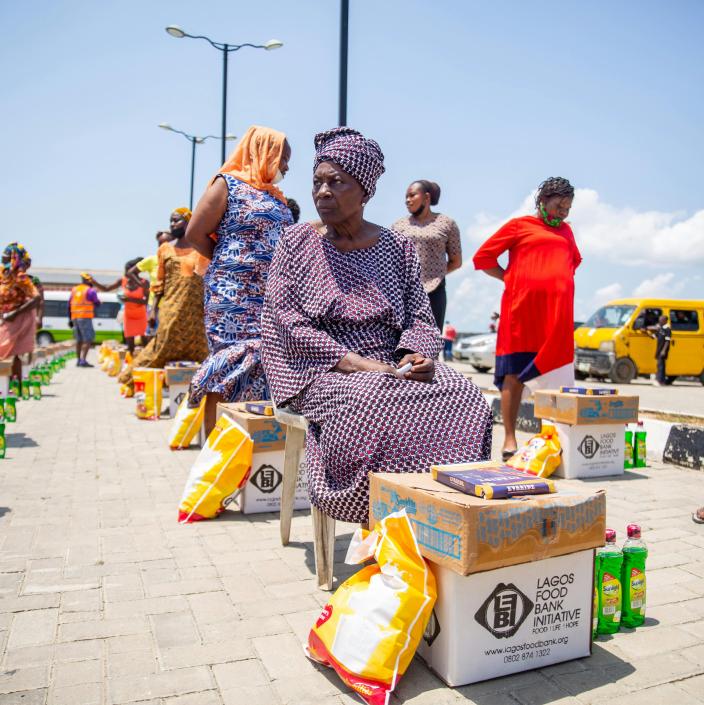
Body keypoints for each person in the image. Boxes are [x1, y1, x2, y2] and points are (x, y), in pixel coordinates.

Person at [261, 127, 492, 524]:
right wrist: (357, 364)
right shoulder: (295, 242)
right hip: (315, 367)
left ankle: (442, 510)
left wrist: (414, 355)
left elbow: (419, 314)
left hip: (388, 363)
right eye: (317, 182)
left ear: (365, 191)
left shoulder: (396, 247)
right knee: (371, 397)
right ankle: (379, 509)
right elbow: (286, 320)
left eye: (337, 182)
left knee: (463, 392)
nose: (322, 192)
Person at [185, 126, 293, 434]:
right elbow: (195, 234)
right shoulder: (227, 185)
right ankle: (213, 447)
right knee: (229, 363)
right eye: (282, 158)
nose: (285, 167)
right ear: (262, 152)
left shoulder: (274, 196)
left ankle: (248, 445)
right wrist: (231, 264)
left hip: (268, 297)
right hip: (231, 296)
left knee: (260, 363)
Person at [473, 177, 581, 460]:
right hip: (521, 316)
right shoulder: (520, 226)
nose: (563, 211)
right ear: (543, 200)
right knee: (513, 376)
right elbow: (483, 257)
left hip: (554, 321)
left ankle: (552, 441)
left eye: (568, 207)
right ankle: (509, 439)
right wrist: (510, 276)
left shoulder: (567, 232)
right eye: (559, 205)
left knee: (555, 380)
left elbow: (571, 264)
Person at [118, 208, 209, 392]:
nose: (173, 224)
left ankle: (197, 389)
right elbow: (160, 282)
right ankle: (130, 378)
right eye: (171, 221)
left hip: (195, 312)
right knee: (161, 349)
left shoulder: (201, 248)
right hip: (171, 308)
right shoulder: (165, 249)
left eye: (177, 221)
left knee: (201, 351)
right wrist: (153, 310)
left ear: (188, 222)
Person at [392, 180, 462, 330]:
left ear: (426, 197)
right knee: (402, 341)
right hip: (404, 291)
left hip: (435, 291)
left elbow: (456, 261)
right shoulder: (398, 226)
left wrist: (435, 274)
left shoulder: (447, 223)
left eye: (412, 195)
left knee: (431, 341)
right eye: (406, 197)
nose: (407, 200)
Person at [0, 243, 41, 381]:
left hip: (16, 319)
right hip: (4, 318)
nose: (2, 259)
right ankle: (9, 385)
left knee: (13, 354)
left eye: (6, 257)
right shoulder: (2, 274)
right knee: (7, 354)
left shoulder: (21, 276)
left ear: (14, 258)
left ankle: (14, 386)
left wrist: (15, 313)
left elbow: (37, 298)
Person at [89, 259, 149, 353]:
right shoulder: (123, 281)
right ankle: (130, 362)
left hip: (141, 315)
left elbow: (146, 302)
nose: (126, 273)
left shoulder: (144, 283)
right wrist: (93, 281)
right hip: (128, 315)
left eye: (128, 271)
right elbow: (106, 288)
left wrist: (129, 299)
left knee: (144, 340)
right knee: (130, 342)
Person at [129, 231, 173, 343]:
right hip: (154, 305)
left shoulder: (178, 260)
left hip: (172, 304)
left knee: (169, 336)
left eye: (167, 243)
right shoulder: (152, 260)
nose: (163, 246)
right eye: (160, 243)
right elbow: (131, 272)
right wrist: (141, 284)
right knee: (152, 335)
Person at [69, 272, 101, 367]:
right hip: (85, 317)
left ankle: (78, 360)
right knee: (88, 339)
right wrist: (99, 303)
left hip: (75, 317)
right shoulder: (90, 290)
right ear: (89, 280)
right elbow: (96, 302)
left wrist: (70, 319)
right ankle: (83, 360)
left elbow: (69, 304)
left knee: (79, 340)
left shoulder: (74, 289)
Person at [647, 314, 671, 386]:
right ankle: (662, 381)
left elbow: (667, 341)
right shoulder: (661, 329)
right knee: (660, 365)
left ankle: (659, 380)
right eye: (659, 320)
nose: (659, 321)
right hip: (659, 349)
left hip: (663, 350)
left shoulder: (667, 329)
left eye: (661, 320)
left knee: (660, 366)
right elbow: (654, 336)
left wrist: (664, 350)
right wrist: (647, 332)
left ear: (665, 321)